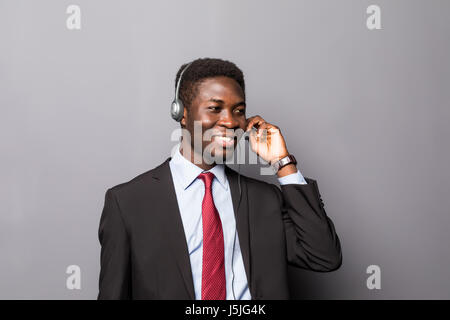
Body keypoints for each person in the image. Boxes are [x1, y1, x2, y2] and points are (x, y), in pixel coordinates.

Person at [97, 58, 342, 300]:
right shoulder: (127, 203)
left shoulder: (265, 199)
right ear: (181, 113)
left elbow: (324, 256)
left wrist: (283, 162)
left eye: (239, 111)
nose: (230, 121)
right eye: (215, 108)